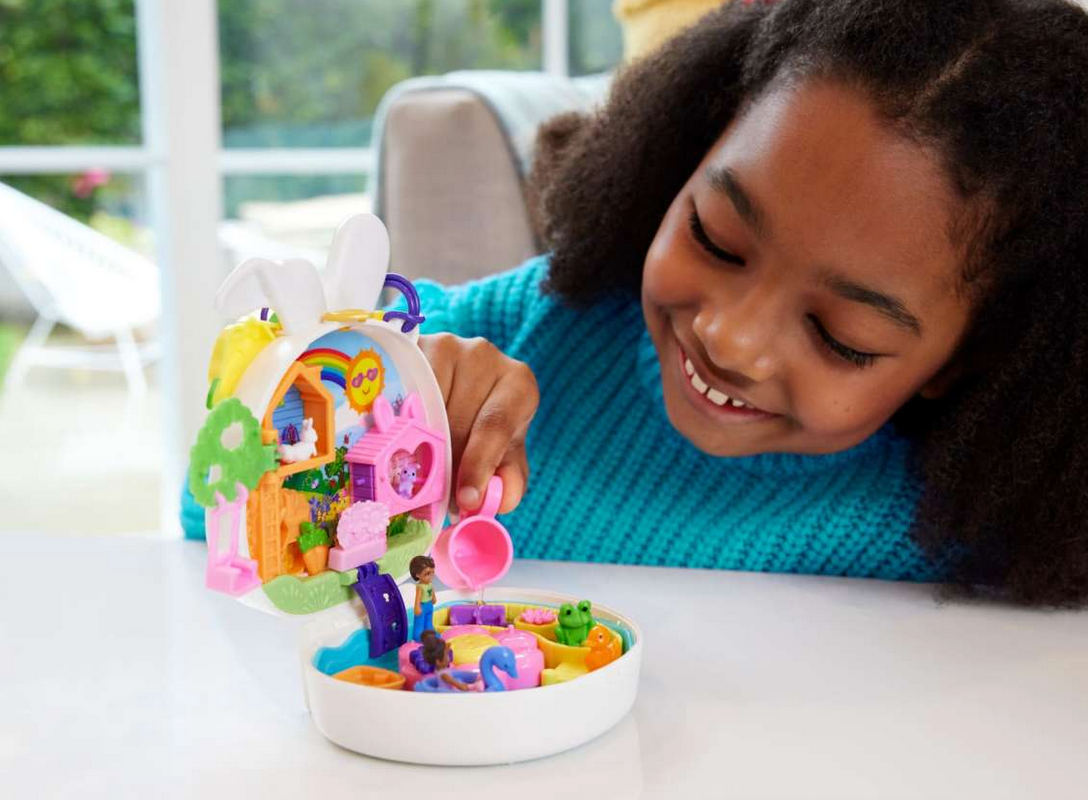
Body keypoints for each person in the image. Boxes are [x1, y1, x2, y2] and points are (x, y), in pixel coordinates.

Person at [405, 0, 1088, 606]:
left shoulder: (993, 522)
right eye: (715, 240)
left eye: (839, 335)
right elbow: (316, 358)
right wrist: (397, 383)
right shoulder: (545, 323)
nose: (729, 339)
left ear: (969, 359)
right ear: (691, 151)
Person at [410, 554, 437, 641]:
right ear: (418, 575)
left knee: (428, 622)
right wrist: (417, 607)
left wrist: (433, 598)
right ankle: (417, 638)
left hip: (429, 605)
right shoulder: (420, 586)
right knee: (419, 624)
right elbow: (417, 598)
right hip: (422, 606)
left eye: (432, 573)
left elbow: (432, 591)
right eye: (427, 574)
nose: (431, 576)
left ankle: (430, 634)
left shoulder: (429, 583)